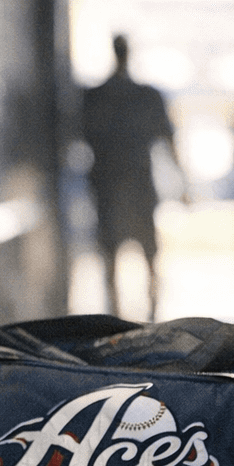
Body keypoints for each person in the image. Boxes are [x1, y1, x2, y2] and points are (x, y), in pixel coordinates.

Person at [80, 34, 185, 320]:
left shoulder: (95, 97)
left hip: (108, 183)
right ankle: (152, 314)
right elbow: (168, 140)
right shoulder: (145, 96)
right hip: (136, 182)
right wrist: (183, 182)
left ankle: (116, 315)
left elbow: (78, 139)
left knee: (112, 254)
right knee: (148, 252)